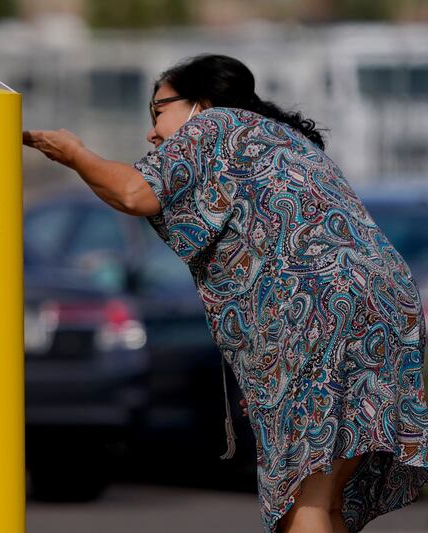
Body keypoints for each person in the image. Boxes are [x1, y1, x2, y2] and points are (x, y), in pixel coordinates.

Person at [23, 54, 428, 533]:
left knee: (302, 503)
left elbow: (134, 193)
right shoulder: (282, 139)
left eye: (158, 112)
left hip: (315, 312)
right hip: (387, 308)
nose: (152, 133)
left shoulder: (212, 125)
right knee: (326, 499)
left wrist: (74, 154)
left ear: (200, 102)